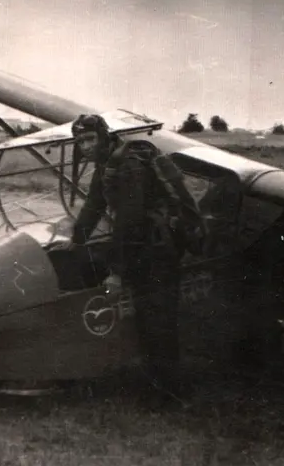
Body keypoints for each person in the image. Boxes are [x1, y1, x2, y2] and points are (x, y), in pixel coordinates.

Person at [58, 114, 202, 399]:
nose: (85, 146)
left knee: (157, 319)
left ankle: (169, 393)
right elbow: (94, 206)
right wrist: (75, 242)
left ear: (104, 136)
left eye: (89, 139)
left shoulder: (129, 166)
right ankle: (156, 383)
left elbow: (129, 222)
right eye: (79, 142)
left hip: (157, 249)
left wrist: (117, 273)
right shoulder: (107, 164)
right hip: (143, 246)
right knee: (147, 316)